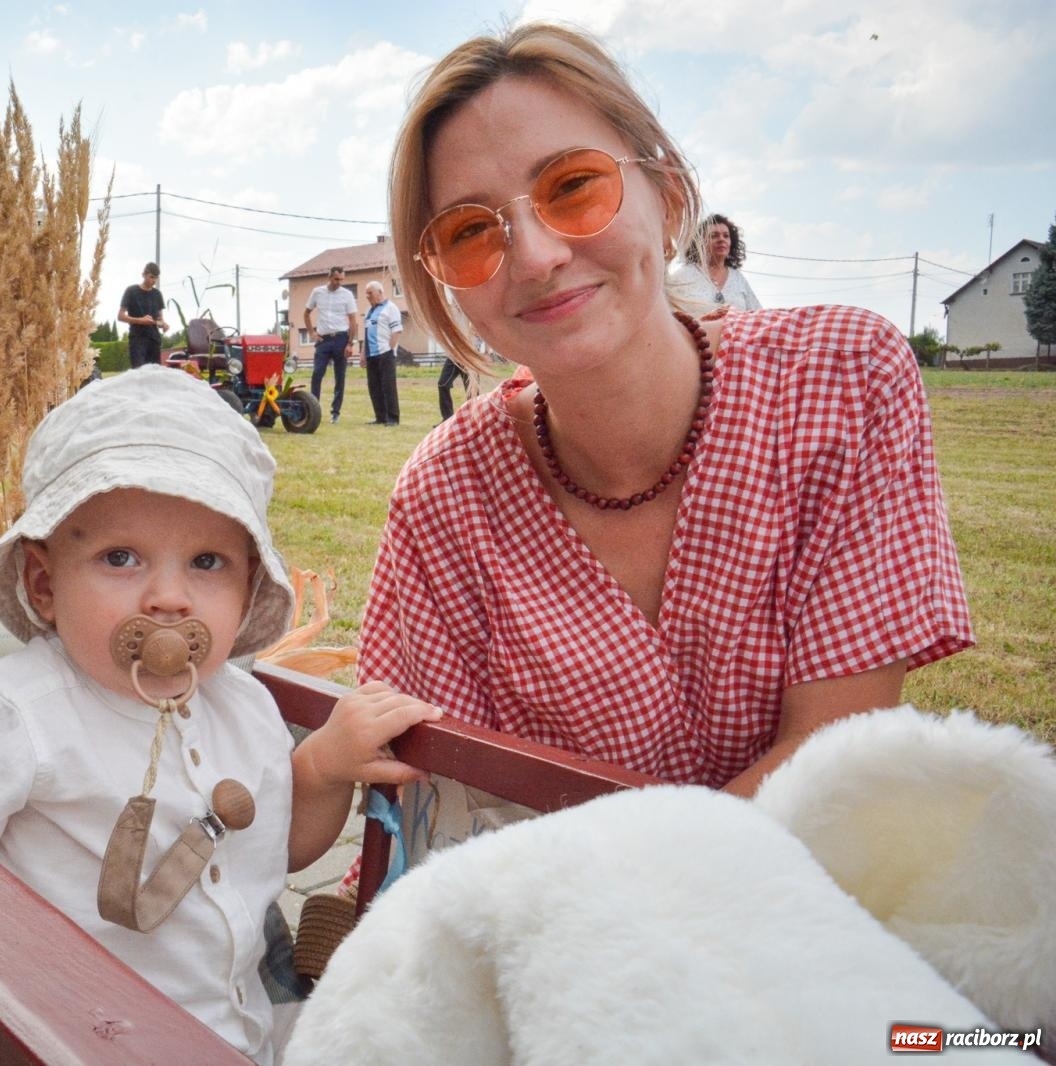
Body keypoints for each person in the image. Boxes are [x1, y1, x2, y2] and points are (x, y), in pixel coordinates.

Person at [359, 23, 972, 801]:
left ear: (670, 194)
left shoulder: (841, 382)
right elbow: (446, 804)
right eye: (471, 230)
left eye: (573, 187)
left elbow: (832, 762)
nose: (538, 257)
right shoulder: (444, 495)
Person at [0, 365, 439, 1065]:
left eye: (207, 562)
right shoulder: (11, 715)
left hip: (239, 1039)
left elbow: (278, 854)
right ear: (44, 584)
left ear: (247, 586)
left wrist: (321, 768)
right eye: (121, 558)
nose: (169, 597)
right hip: (62, 1044)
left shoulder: (244, 704)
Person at [671, 213, 763, 311]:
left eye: (726, 236)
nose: (721, 239)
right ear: (701, 243)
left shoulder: (738, 279)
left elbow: (757, 313)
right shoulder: (682, 276)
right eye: (714, 236)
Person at [304, 266, 359, 424]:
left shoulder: (347, 295)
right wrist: (312, 333)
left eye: (341, 279)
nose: (339, 282)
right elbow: (306, 313)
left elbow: (353, 320)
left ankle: (335, 412)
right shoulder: (317, 292)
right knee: (317, 374)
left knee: (339, 377)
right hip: (323, 340)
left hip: (341, 338)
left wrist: (350, 343)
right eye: (336, 279)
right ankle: (314, 409)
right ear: (329, 277)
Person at [361, 281, 403, 426]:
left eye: (370, 293)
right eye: (366, 293)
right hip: (371, 354)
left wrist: (390, 348)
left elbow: (397, 331)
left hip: (385, 352)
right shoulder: (369, 311)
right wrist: (363, 353)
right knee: (374, 386)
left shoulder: (390, 308)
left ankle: (393, 418)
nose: (367, 296)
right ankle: (380, 417)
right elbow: (366, 333)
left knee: (388, 386)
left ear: (379, 292)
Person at [118, 261, 167, 368]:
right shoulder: (131, 291)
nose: (154, 281)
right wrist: (140, 320)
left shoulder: (157, 294)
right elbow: (120, 316)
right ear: (144, 274)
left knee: (155, 375)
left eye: (156, 278)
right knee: (139, 374)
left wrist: (164, 325)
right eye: (151, 277)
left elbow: (160, 320)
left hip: (154, 340)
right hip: (137, 340)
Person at [436, 357, 468, 422]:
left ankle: (475, 418)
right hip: (453, 356)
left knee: (472, 390)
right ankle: (447, 419)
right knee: (443, 384)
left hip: (469, 357)